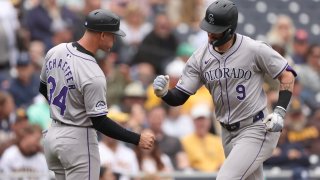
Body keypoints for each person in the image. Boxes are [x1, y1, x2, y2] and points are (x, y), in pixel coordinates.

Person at [152, 0, 297, 179]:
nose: (210, 34)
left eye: (215, 30)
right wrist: (164, 93)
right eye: (208, 28)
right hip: (227, 132)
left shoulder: (253, 48)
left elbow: (287, 74)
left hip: (256, 128)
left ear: (229, 29)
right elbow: (179, 97)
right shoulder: (200, 57)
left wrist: (280, 111)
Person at [39, 9, 155, 180]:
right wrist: (137, 138)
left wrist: (66, 111)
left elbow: (43, 88)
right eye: (112, 35)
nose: (114, 40)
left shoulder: (56, 51)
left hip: (53, 135)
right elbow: (100, 122)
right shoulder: (93, 73)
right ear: (101, 35)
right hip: (77, 139)